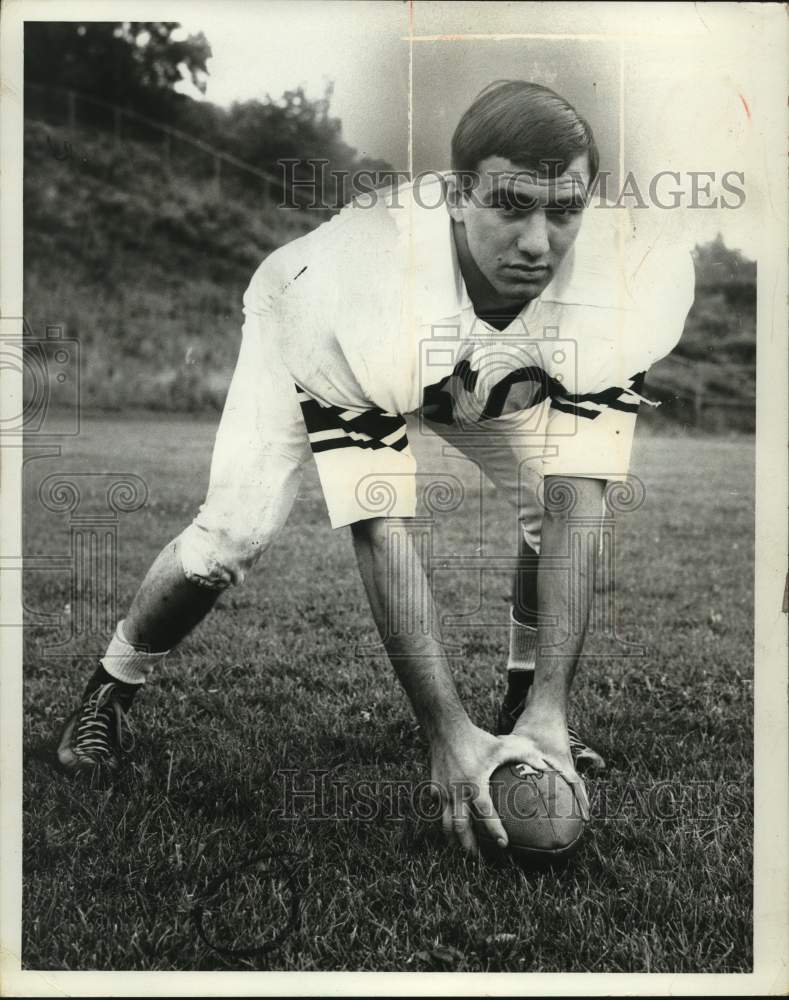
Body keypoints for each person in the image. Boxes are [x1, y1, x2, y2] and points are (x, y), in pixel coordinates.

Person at [56, 81, 695, 856]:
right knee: (230, 539)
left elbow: (576, 502)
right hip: (311, 326)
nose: (537, 242)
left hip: (464, 348)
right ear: (458, 196)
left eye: (562, 210)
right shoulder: (362, 276)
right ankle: (109, 690)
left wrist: (553, 710)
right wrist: (445, 732)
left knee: (546, 499)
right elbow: (379, 522)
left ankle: (530, 704)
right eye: (510, 204)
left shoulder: (624, 276)